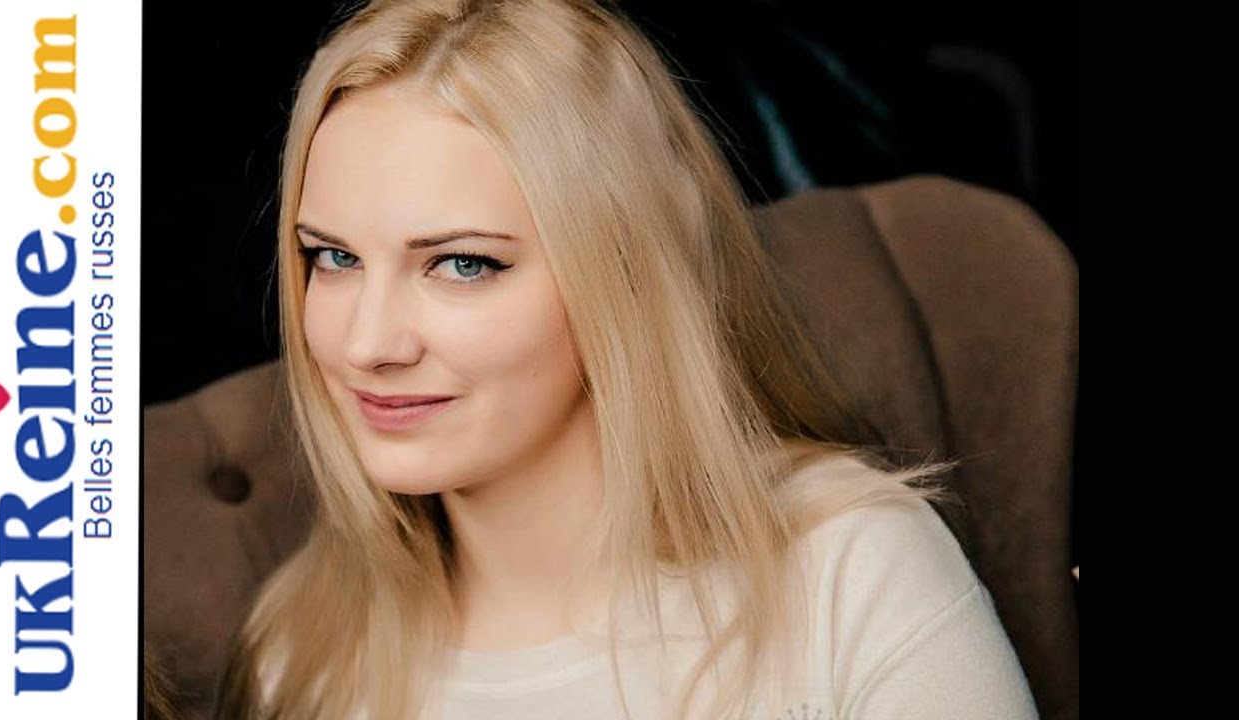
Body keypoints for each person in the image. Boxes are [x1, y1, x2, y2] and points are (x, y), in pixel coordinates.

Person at [218, 1, 1040, 718]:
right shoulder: (298, 658)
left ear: (622, 275)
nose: (367, 345)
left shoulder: (848, 572)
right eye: (333, 258)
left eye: (462, 264)